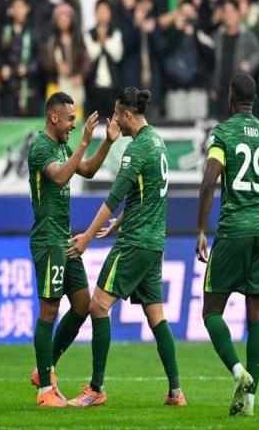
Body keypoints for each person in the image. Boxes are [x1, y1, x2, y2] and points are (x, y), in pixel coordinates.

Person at [67, 87, 186, 407]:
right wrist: (118, 222)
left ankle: (96, 389)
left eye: (117, 114)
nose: (114, 120)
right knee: (157, 316)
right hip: (154, 242)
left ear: (128, 115)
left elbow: (114, 197)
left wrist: (87, 236)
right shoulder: (157, 142)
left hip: (134, 243)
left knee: (97, 306)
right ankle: (176, 391)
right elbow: (146, 194)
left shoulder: (136, 150)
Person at [195, 74, 259, 416]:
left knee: (211, 311)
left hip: (234, 230)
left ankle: (239, 373)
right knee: (257, 318)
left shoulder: (223, 134)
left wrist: (200, 230)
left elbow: (209, 182)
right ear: (256, 99)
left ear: (230, 96)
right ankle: (250, 403)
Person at [28, 92, 120, 407]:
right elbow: (58, 177)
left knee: (82, 305)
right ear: (53, 117)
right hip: (48, 241)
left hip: (65, 239)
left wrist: (106, 142)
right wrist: (83, 142)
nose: (72, 124)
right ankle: (44, 392)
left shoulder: (62, 146)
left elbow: (88, 170)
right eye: (69, 119)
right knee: (49, 311)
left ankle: (45, 368)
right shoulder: (41, 147)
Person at [212, 0, 259, 119]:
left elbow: (258, 54)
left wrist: (249, 64)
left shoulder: (247, 34)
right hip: (221, 90)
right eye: (225, 12)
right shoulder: (217, 35)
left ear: (238, 13)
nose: (228, 15)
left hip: (240, 93)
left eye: (232, 11)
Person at [0, 0, 40, 116]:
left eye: (21, 7)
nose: (18, 11)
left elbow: (40, 57)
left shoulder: (34, 30)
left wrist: (28, 68)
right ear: (11, 10)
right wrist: (3, 67)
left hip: (29, 86)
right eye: (15, 7)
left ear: (27, 9)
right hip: (9, 86)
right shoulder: (5, 30)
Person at [84, 0, 124, 119]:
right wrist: (105, 42)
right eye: (100, 11)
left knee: (113, 120)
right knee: (94, 120)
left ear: (110, 14)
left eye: (105, 11)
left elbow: (117, 55)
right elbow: (91, 54)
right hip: (93, 87)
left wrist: (102, 42)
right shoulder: (89, 34)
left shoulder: (116, 32)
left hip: (113, 87)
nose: (102, 14)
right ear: (95, 14)